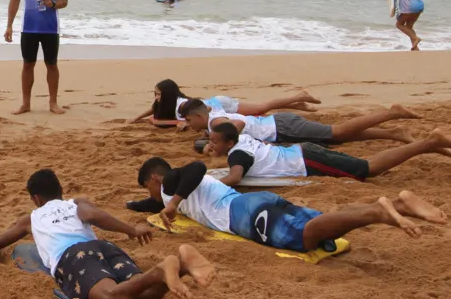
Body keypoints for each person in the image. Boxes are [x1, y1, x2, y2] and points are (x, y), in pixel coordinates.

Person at [0, 168, 215, 299]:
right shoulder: (75, 202)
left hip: (73, 257)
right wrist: (131, 230)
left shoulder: (32, 217)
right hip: (104, 248)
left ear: (36, 198)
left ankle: (161, 270)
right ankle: (180, 264)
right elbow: (94, 216)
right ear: (61, 190)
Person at [136, 157, 448, 253]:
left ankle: (380, 211)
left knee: (304, 238)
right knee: (325, 222)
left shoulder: (170, 182)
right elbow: (142, 205)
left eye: (147, 186)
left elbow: (197, 168)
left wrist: (174, 203)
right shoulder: (162, 196)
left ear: (154, 177)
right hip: (255, 203)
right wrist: (149, 206)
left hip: (242, 215)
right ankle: (400, 204)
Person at [207, 122, 451, 185]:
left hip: (307, 160)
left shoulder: (237, 156)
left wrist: (209, 183)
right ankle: (431, 144)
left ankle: (429, 142)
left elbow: (236, 177)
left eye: (215, 142)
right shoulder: (244, 139)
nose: (211, 145)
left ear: (229, 143)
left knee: (370, 169)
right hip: (304, 150)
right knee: (364, 164)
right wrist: (213, 148)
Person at [180, 99, 417, 147]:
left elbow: (236, 127)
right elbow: (211, 108)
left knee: (340, 130)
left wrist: (221, 144)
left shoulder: (216, 122)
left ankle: (391, 113)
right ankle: (395, 133)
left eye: (190, 120)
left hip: (283, 128)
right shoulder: (212, 114)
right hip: (281, 127)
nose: (189, 125)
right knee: (340, 137)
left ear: (200, 117)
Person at [4, 0, 67, 115]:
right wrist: (9, 25)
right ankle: (25, 104)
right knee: (27, 65)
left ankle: (53, 103)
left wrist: (53, 4)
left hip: (50, 27)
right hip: (29, 27)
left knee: (51, 64)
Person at [129, 79, 321, 127]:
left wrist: (182, 122)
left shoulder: (181, 104)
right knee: (261, 109)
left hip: (221, 104)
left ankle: (299, 95)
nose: (156, 97)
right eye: (155, 93)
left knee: (263, 107)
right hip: (217, 103)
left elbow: (207, 108)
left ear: (169, 95)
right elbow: (152, 111)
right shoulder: (166, 104)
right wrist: (135, 118)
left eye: (159, 94)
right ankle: (298, 104)